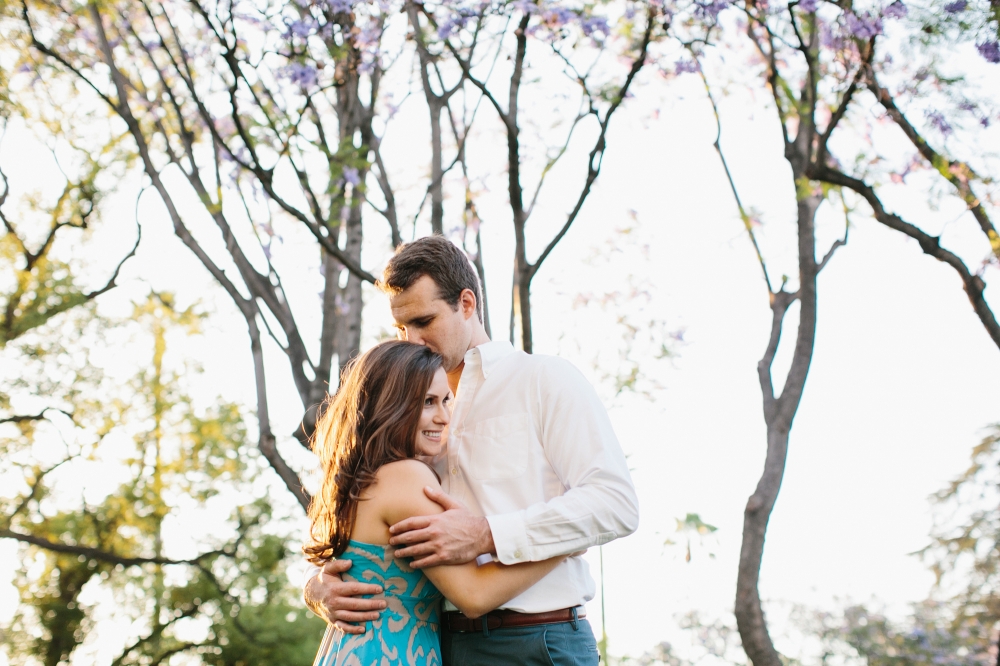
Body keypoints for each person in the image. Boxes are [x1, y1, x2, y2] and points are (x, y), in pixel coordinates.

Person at [305, 235, 639, 665]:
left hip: (538, 639)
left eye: (424, 321)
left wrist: (487, 533)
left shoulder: (543, 380)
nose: (412, 340)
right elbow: (368, 518)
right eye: (401, 328)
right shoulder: (408, 416)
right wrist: (316, 585)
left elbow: (616, 503)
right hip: (439, 644)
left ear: (466, 303)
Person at [306, 341, 566, 665]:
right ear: (391, 404)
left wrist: (312, 589)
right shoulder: (407, 477)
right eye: (428, 402)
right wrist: (562, 544)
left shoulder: (359, 478)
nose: (444, 417)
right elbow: (474, 595)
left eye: (446, 400)